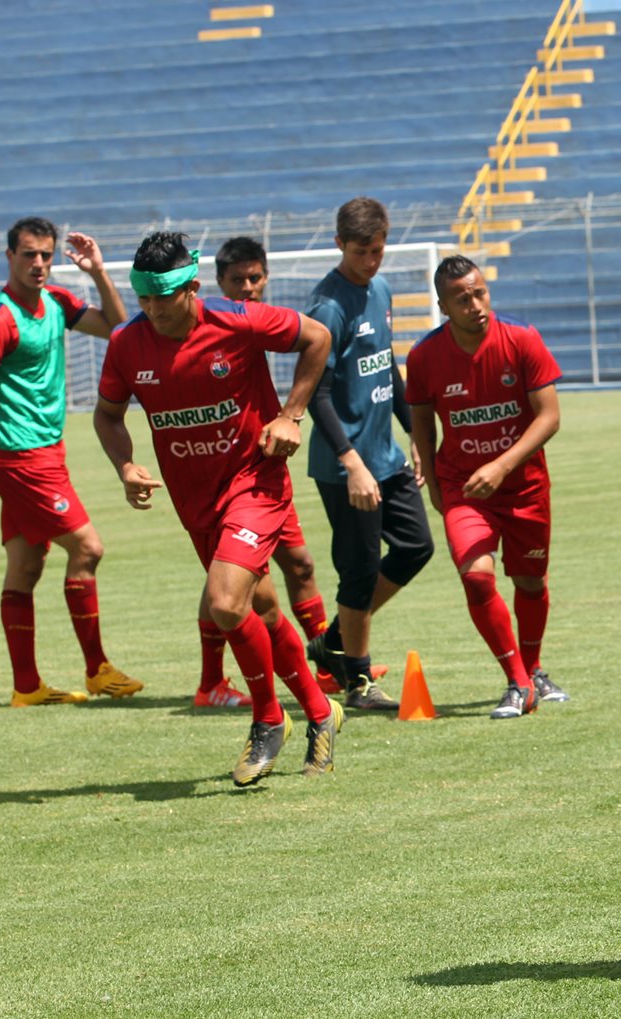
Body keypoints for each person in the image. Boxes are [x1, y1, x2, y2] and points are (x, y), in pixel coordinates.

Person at [93, 231, 341, 786]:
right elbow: (108, 415)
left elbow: (318, 337)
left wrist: (290, 414)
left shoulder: (237, 320)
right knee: (266, 610)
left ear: (192, 288)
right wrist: (125, 465)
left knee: (225, 605)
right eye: (145, 298)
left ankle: (267, 718)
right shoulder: (127, 344)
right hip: (195, 500)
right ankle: (322, 713)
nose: (153, 309)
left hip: (255, 482)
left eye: (163, 297)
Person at [0, 216, 143, 707]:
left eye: (46, 256)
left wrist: (97, 271)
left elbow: (118, 326)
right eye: (29, 254)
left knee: (25, 567)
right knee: (88, 549)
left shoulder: (56, 301)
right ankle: (97, 669)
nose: (39, 264)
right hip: (20, 458)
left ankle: (27, 686)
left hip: (46, 453)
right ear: (10, 257)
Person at [190, 236, 383, 707]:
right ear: (218, 284)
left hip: (262, 471)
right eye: (238, 281)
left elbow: (312, 341)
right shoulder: (210, 326)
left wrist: (287, 415)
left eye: (256, 278)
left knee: (301, 564)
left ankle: (326, 664)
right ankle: (211, 681)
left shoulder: (256, 323)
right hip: (221, 478)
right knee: (244, 591)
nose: (249, 288)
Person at [406, 256, 570, 719]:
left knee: (530, 581)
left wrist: (502, 465)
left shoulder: (521, 339)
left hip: (524, 487)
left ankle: (534, 669)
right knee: (476, 576)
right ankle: (517, 681)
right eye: (462, 299)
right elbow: (421, 420)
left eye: (480, 293)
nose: (476, 304)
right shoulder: (423, 357)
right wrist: (434, 478)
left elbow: (550, 416)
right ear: (443, 306)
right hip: (464, 488)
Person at [303, 196, 434, 710]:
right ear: (339, 245)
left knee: (415, 547)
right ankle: (356, 680)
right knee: (357, 571)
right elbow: (316, 393)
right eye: (361, 252)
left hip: (386, 456)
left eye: (378, 250)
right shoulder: (327, 308)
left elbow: (387, 372)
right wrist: (350, 461)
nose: (371, 261)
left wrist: (416, 437)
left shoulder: (380, 289)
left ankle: (334, 639)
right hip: (346, 468)